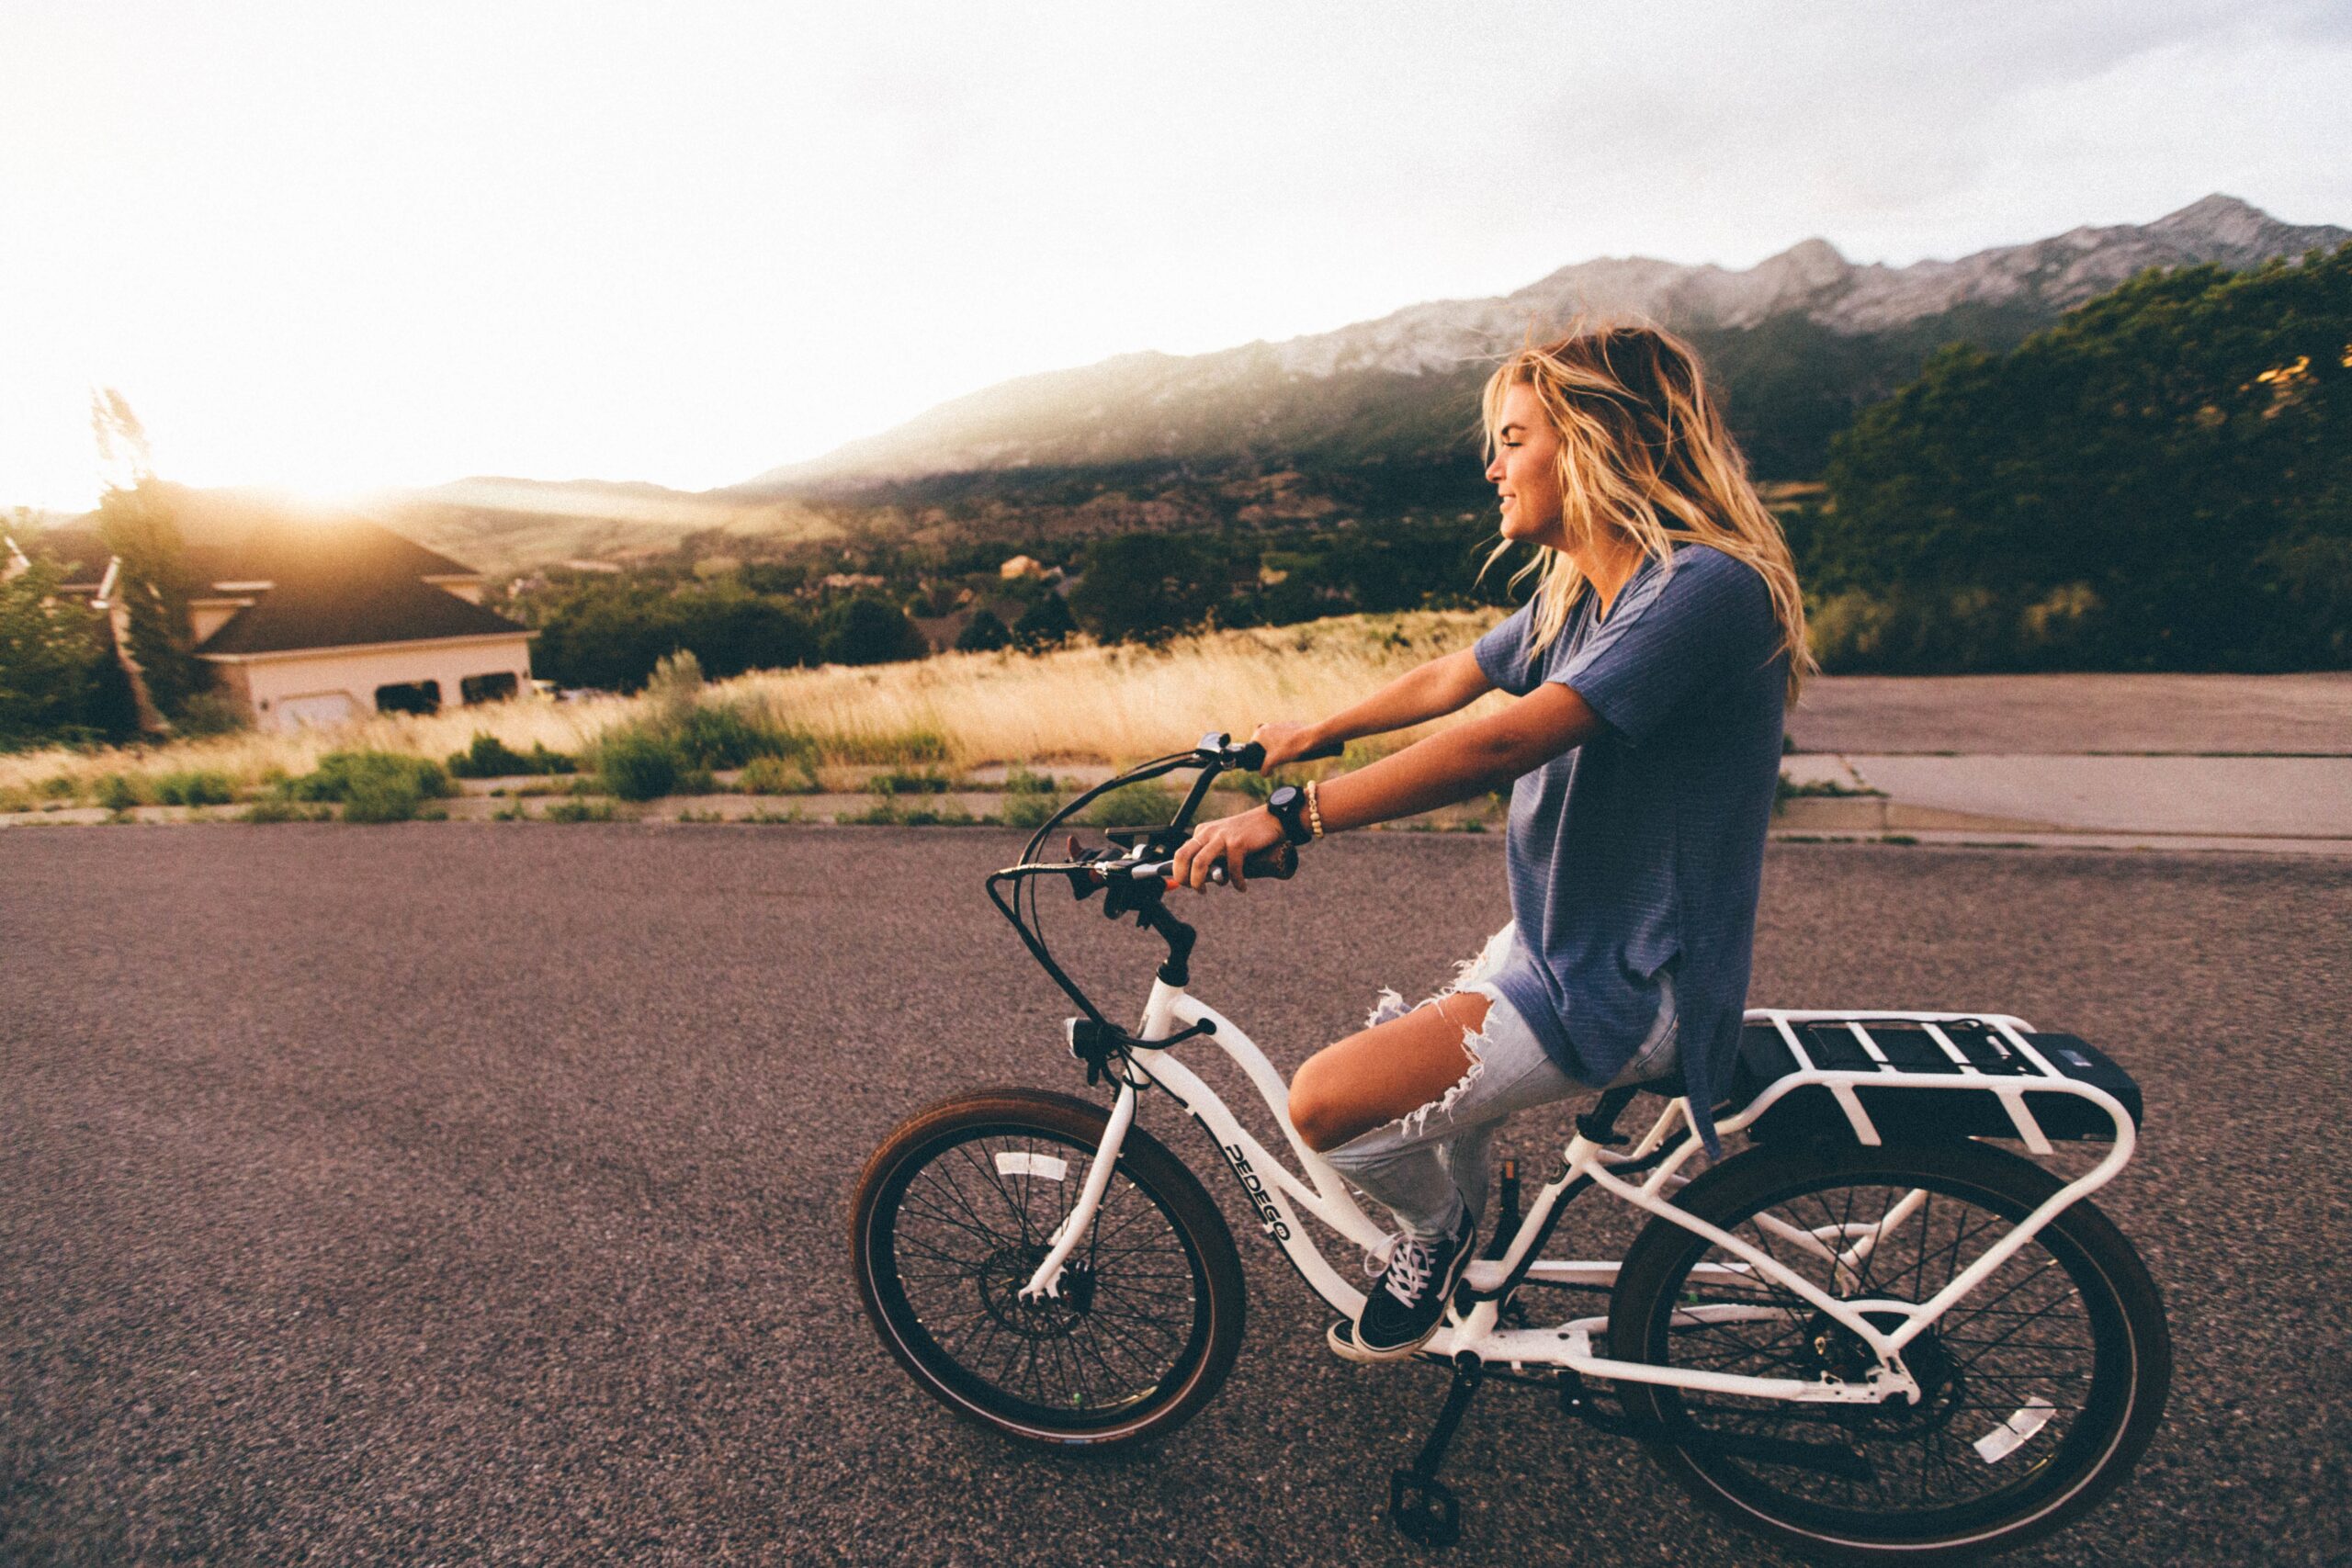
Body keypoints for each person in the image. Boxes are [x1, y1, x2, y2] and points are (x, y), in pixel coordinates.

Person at [1168, 322, 1811, 1361]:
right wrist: (1316, 731)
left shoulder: (1701, 591)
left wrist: (1295, 815)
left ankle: (1439, 1232)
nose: (1491, 464)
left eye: (1514, 437)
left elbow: (1499, 738)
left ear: (1601, 443)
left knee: (1327, 1105)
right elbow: (1456, 677)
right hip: (1558, 946)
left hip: (1631, 982)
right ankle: (1466, 1236)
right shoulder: (1584, 596)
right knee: (1425, 1087)